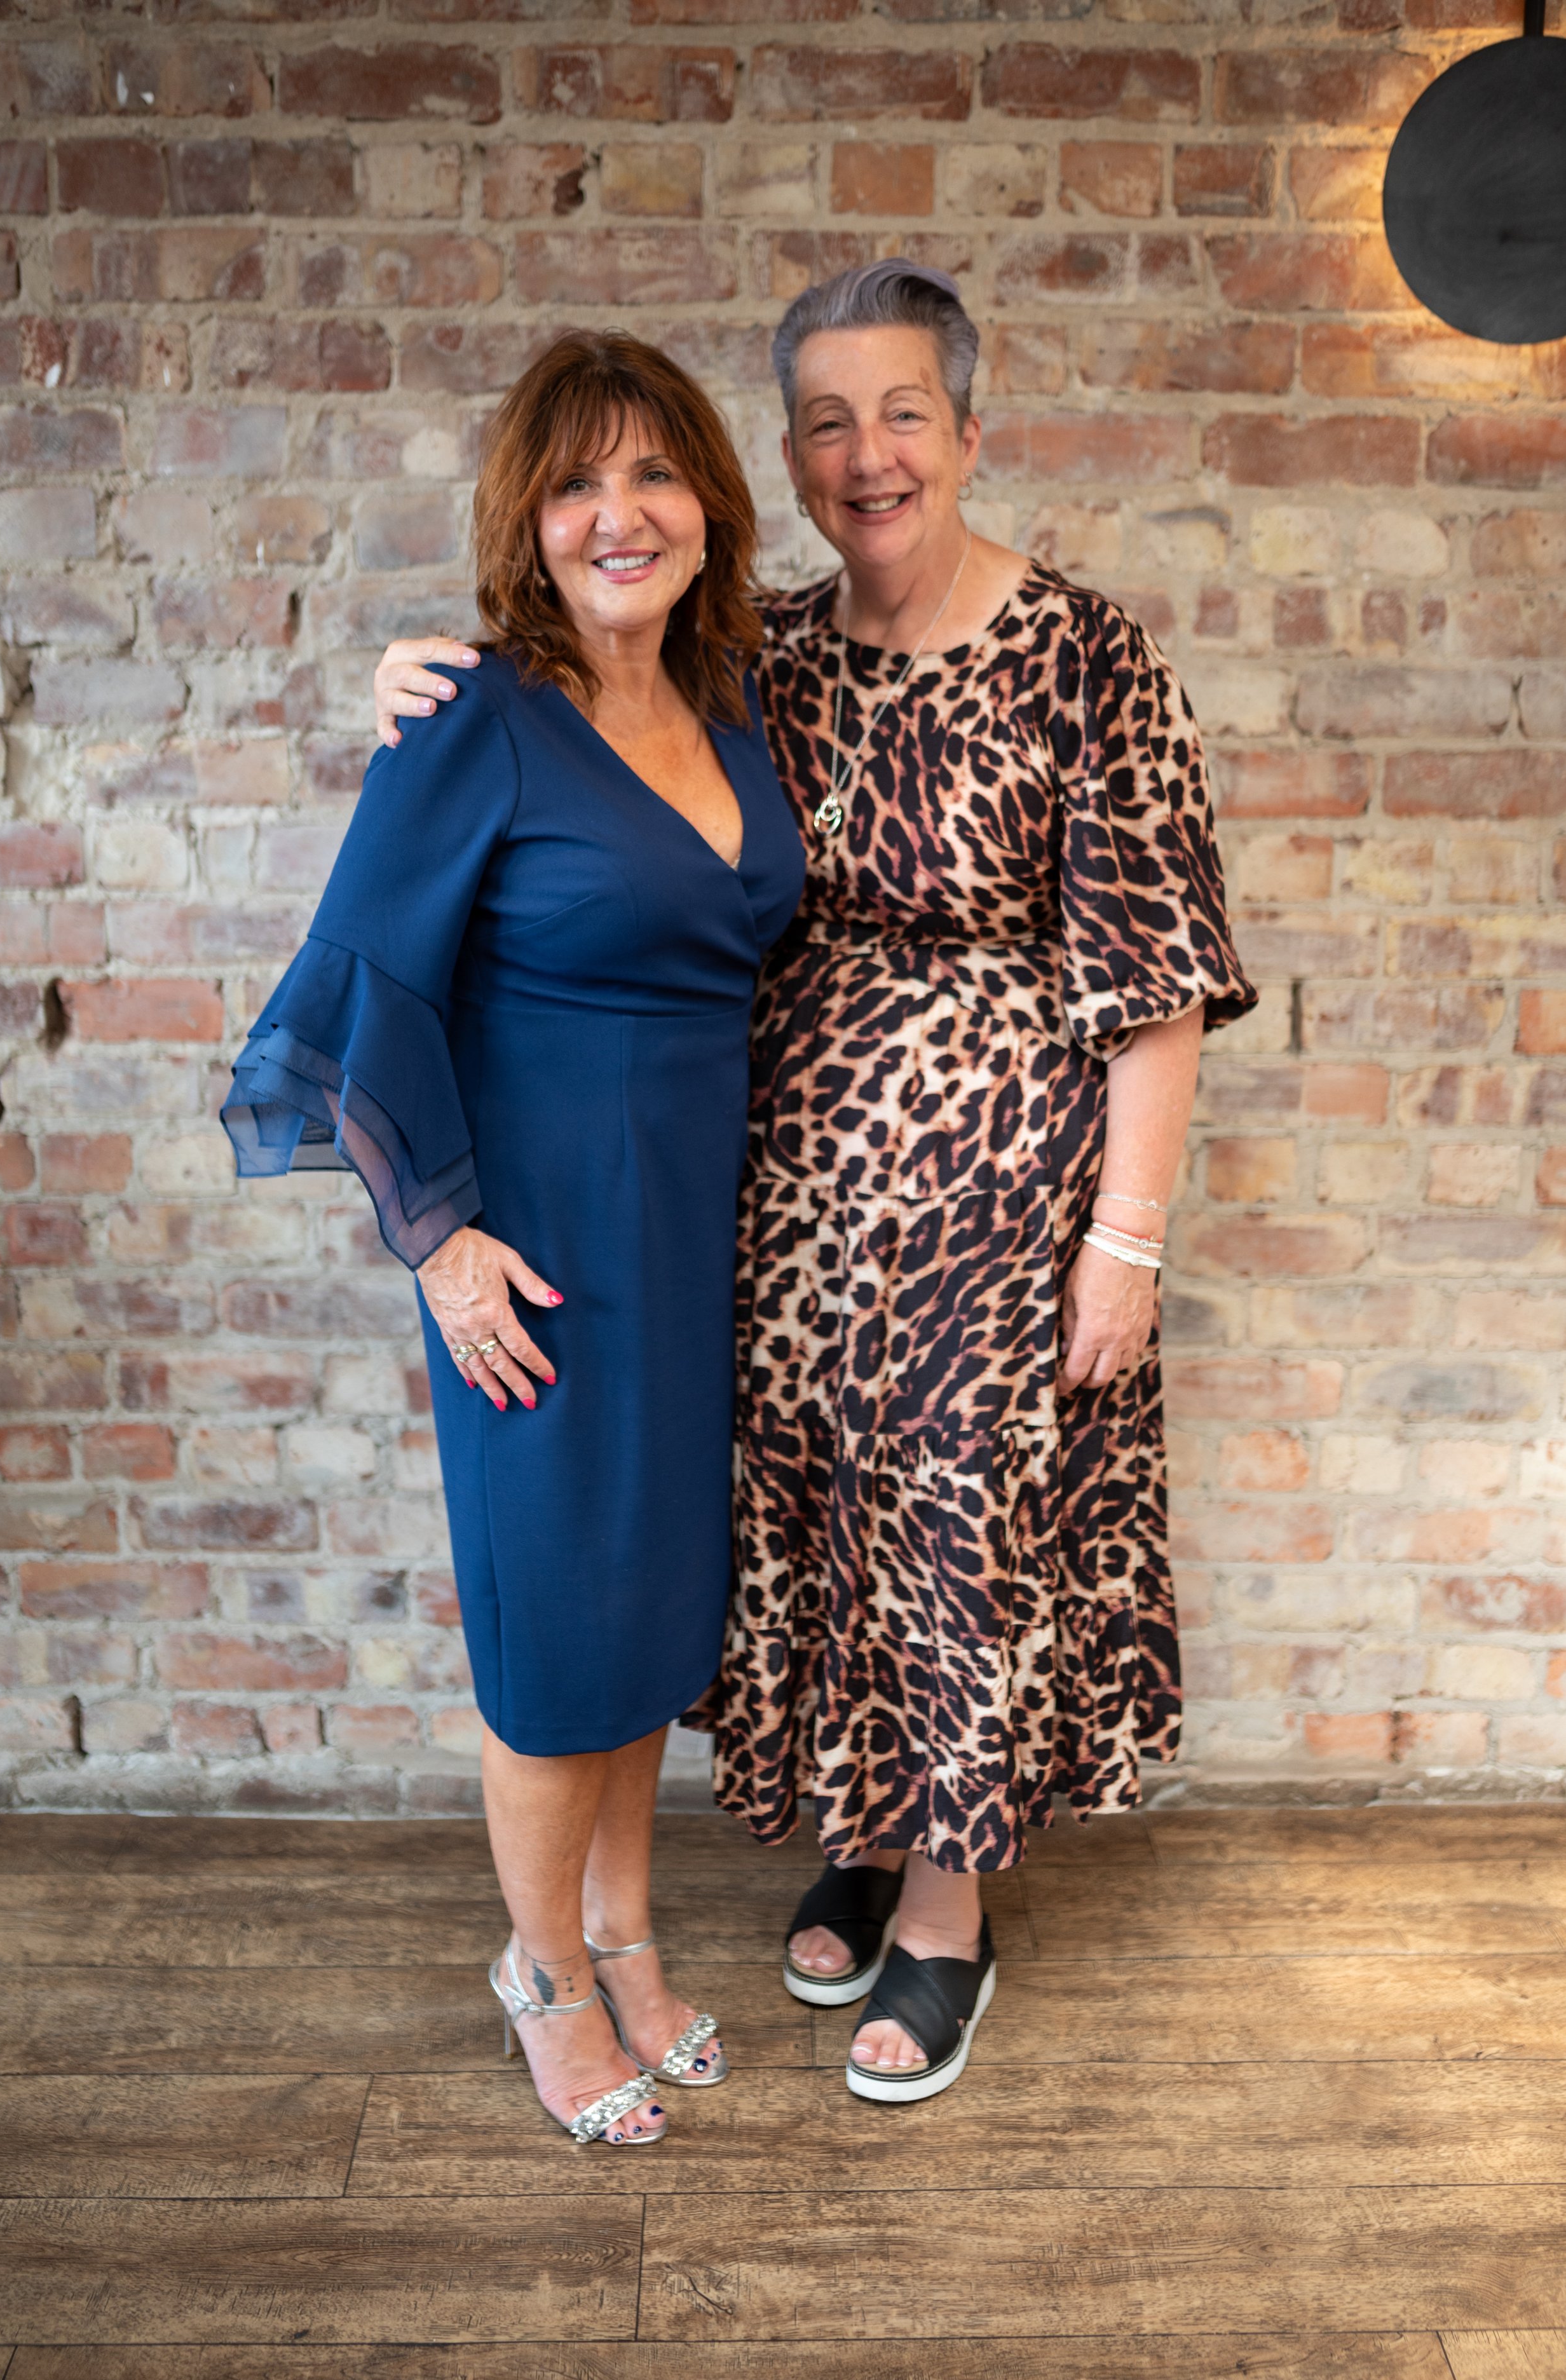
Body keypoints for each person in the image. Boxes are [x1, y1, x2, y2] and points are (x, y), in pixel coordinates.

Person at [371, 261, 1255, 2106]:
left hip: (1005, 1209)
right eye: (828, 420)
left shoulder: (1086, 653)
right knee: (828, 1551)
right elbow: (565, 737)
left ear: (967, 426)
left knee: (962, 1550)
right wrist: (403, 676)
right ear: (783, 449)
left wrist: (1127, 1238)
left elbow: (1157, 977)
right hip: (761, 1211)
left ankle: (947, 1910)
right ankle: (860, 1833)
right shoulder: (748, 652)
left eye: (903, 412)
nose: (868, 454)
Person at [224, 331, 805, 2146]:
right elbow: (355, 987)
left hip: (689, 1242)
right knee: (555, 1644)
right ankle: (541, 1973)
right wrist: (441, 1245)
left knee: (644, 1617)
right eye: (575, 483)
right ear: (528, 523)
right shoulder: (471, 713)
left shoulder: (732, 711)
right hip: (536, 1262)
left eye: (653, 475)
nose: (617, 514)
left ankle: (624, 1931)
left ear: (708, 501)